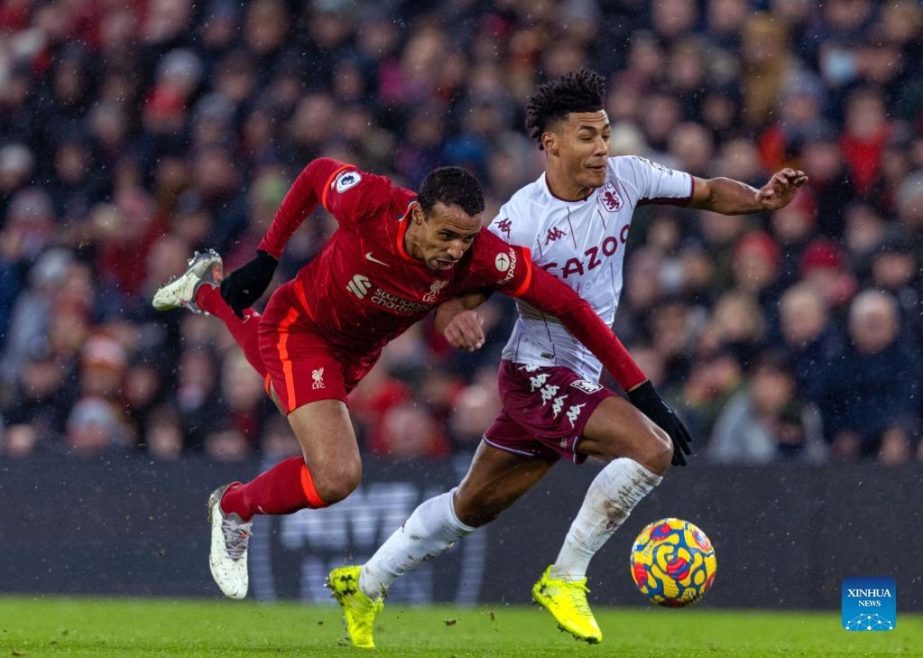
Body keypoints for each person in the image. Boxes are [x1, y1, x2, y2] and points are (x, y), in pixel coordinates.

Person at [333, 69, 807, 648]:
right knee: (651, 448)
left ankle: (367, 581)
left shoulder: (626, 178)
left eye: (605, 134)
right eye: (588, 136)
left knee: (470, 508)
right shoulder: (519, 221)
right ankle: (565, 578)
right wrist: (454, 312)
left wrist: (759, 200)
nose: (602, 148)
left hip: (579, 375)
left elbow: (707, 191)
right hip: (536, 373)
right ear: (551, 144)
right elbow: (462, 284)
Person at [151, 158, 691, 609]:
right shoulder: (373, 202)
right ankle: (235, 506)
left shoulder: (481, 257)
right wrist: (268, 256)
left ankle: (207, 294)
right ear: (415, 216)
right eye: (446, 234)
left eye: (467, 238)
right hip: (304, 327)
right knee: (337, 475)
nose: (456, 250)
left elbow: (570, 306)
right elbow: (317, 175)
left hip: (357, 353)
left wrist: (641, 393)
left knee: (277, 382)